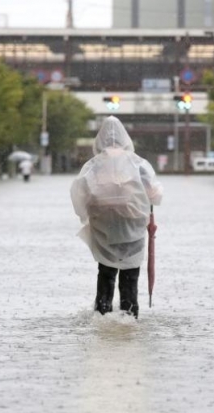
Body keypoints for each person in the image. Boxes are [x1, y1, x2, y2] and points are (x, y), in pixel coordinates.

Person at [70, 116, 163, 318]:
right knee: (130, 275)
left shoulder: (93, 165)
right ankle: (129, 317)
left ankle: (102, 312)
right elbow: (155, 194)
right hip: (133, 227)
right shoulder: (138, 164)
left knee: (106, 272)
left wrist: (87, 217)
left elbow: (80, 195)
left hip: (104, 228)